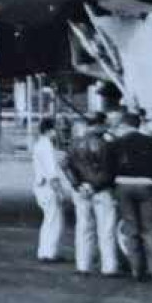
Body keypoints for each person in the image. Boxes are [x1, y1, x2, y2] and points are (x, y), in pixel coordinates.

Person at [113, 109, 152, 281]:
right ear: (139, 125)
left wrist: (114, 185)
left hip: (123, 185)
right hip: (148, 186)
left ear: (124, 125)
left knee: (131, 228)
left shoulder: (117, 143)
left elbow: (109, 166)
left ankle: (137, 271)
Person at [62, 112, 120, 276]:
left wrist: (78, 184)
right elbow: (111, 170)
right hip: (102, 190)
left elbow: (65, 165)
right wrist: (95, 185)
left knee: (83, 227)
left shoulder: (75, 144)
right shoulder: (108, 145)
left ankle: (83, 265)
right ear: (101, 124)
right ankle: (109, 266)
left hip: (81, 191)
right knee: (106, 229)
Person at [31, 116, 70, 262]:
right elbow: (52, 172)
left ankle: (45, 251)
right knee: (55, 220)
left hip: (41, 186)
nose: (59, 132)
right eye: (56, 129)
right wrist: (60, 191)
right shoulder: (47, 146)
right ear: (50, 130)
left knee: (49, 220)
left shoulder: (39, 144)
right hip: (48, 187)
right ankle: (50, 253)